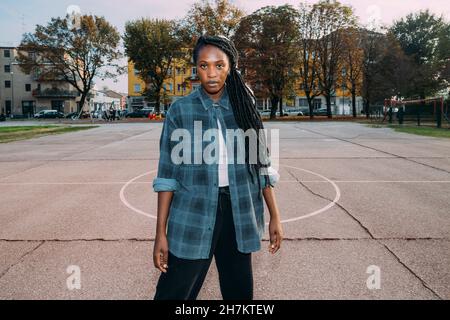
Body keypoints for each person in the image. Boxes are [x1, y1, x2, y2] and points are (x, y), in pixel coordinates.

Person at [152, 35, 283, 300]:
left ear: (230, 66)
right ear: (195, 68)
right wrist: (160, 234)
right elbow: (167, 176)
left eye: (219, 65)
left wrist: (275, 217)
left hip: (239, 214)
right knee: (172, 294)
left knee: (239, 295)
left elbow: (261, 166)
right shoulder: (180, 111)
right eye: (203, 66)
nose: (211, 73)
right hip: (193, 215)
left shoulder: (245, 107)